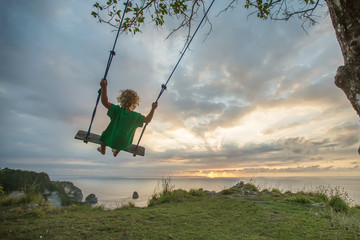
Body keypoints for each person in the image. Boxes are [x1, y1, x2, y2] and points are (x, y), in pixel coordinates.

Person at [97, 78, 158, 156]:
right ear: (135, 103)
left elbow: (104, 102)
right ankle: (116, 152)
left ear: (121, 100)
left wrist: (104, 87)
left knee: (104, 135)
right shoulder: (136, 116)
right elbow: (147, 120)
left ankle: (102, 150)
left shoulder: (117, 110)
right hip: (124, 144)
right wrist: (153, 109)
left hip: (112, 140)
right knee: (122, 138)